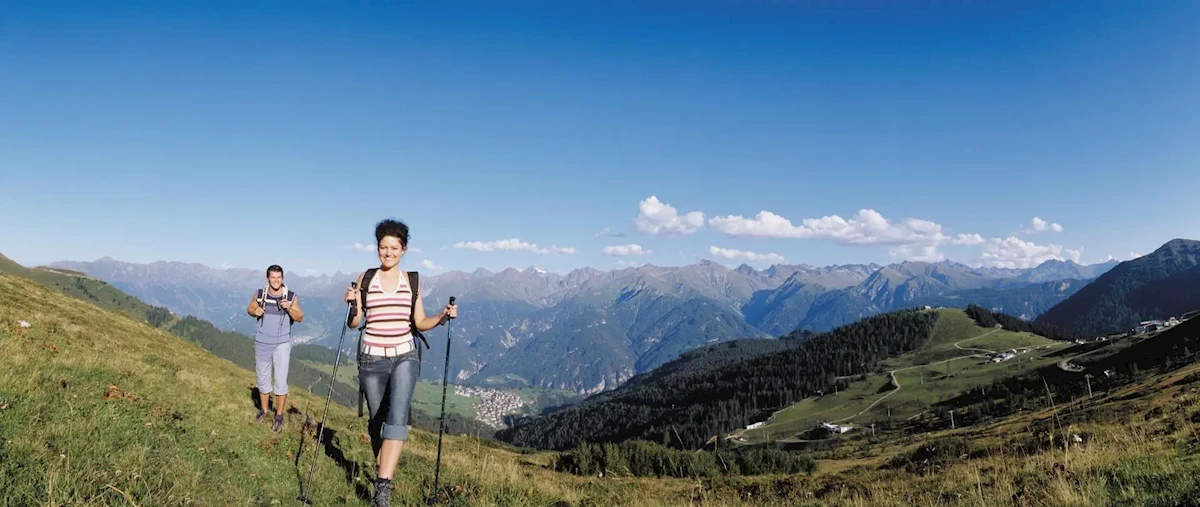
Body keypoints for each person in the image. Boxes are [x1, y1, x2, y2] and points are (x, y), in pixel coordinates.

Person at [344, 219, 456, 507]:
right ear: (377, 248)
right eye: (384, 247)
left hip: (405, 356)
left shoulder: (412, 280)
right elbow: (355, 323)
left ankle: (382, 489)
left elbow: (419, 321)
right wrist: (353, 304)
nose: (388, 252)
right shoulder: (366, 278)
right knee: (377, 423)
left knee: (397, 418)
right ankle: (383, 468)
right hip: (371, 358)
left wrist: (442, 317)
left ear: (403, 249)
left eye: (394, 248)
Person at [246, 264, 304, 432]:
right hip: (262, 342)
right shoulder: (259, 294)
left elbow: (300, 317)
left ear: (282, 278)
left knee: (280, 380)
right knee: (263, 378)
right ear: (268, 278)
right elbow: (250, 308)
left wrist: (289, 307)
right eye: (273, 277)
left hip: (282, 344)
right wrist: (255, 311)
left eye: (279, 277)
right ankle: (264, 411)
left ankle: (279, 415)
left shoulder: (291, 296)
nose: (276, 280)